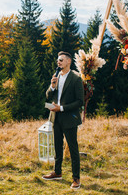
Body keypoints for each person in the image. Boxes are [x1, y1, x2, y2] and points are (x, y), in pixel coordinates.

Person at [42, 51, 84, 189]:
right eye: (57, 60)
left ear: (68, 62)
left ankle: (76, 178)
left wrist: (62, 108)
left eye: (61, 60)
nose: (58, 62)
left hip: (69, 118)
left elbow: (80, 102)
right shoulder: (56, 76)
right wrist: (52, 86)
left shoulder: (76, 78)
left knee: (73, 149)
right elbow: (48, 96)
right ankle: (57, 172)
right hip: (55, 118)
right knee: (57, 146)